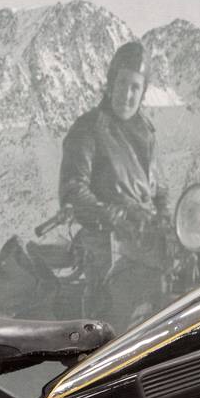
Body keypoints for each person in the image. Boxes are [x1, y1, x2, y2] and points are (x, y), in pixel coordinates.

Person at [59, 42, 165, 317]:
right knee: (115, 318)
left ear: (142, 93)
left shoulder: (146, 133)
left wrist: (166, 216)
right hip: (107, 243)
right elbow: (72, 189)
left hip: (147, 245)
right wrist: (110, 215)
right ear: (110, 83)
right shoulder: (89, 128)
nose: (127, 95)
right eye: (122, 83)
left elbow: (157, 190)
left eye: (135, 87)